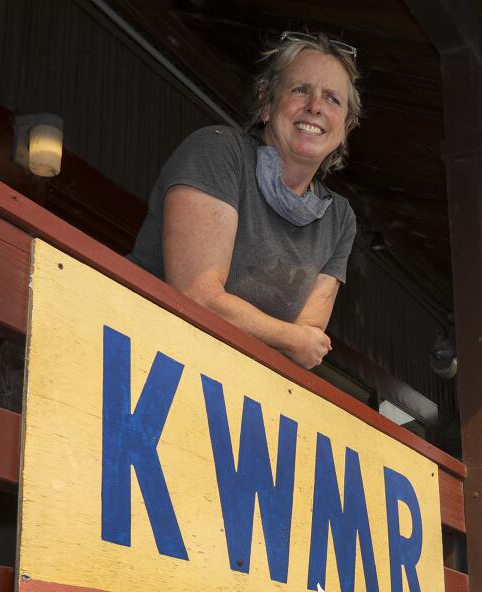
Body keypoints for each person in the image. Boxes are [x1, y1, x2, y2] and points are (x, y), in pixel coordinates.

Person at [128, 31, 361, 370]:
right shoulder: (220, 151)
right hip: (139, 352)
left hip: (226, 386)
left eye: (332, 99)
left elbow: (307, 346)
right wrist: (288, 336)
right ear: (267, 104)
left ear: (346, 127)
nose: (315, 107)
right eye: (300, 90)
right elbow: (198, 297)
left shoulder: (339, 219)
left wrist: (292, 339)